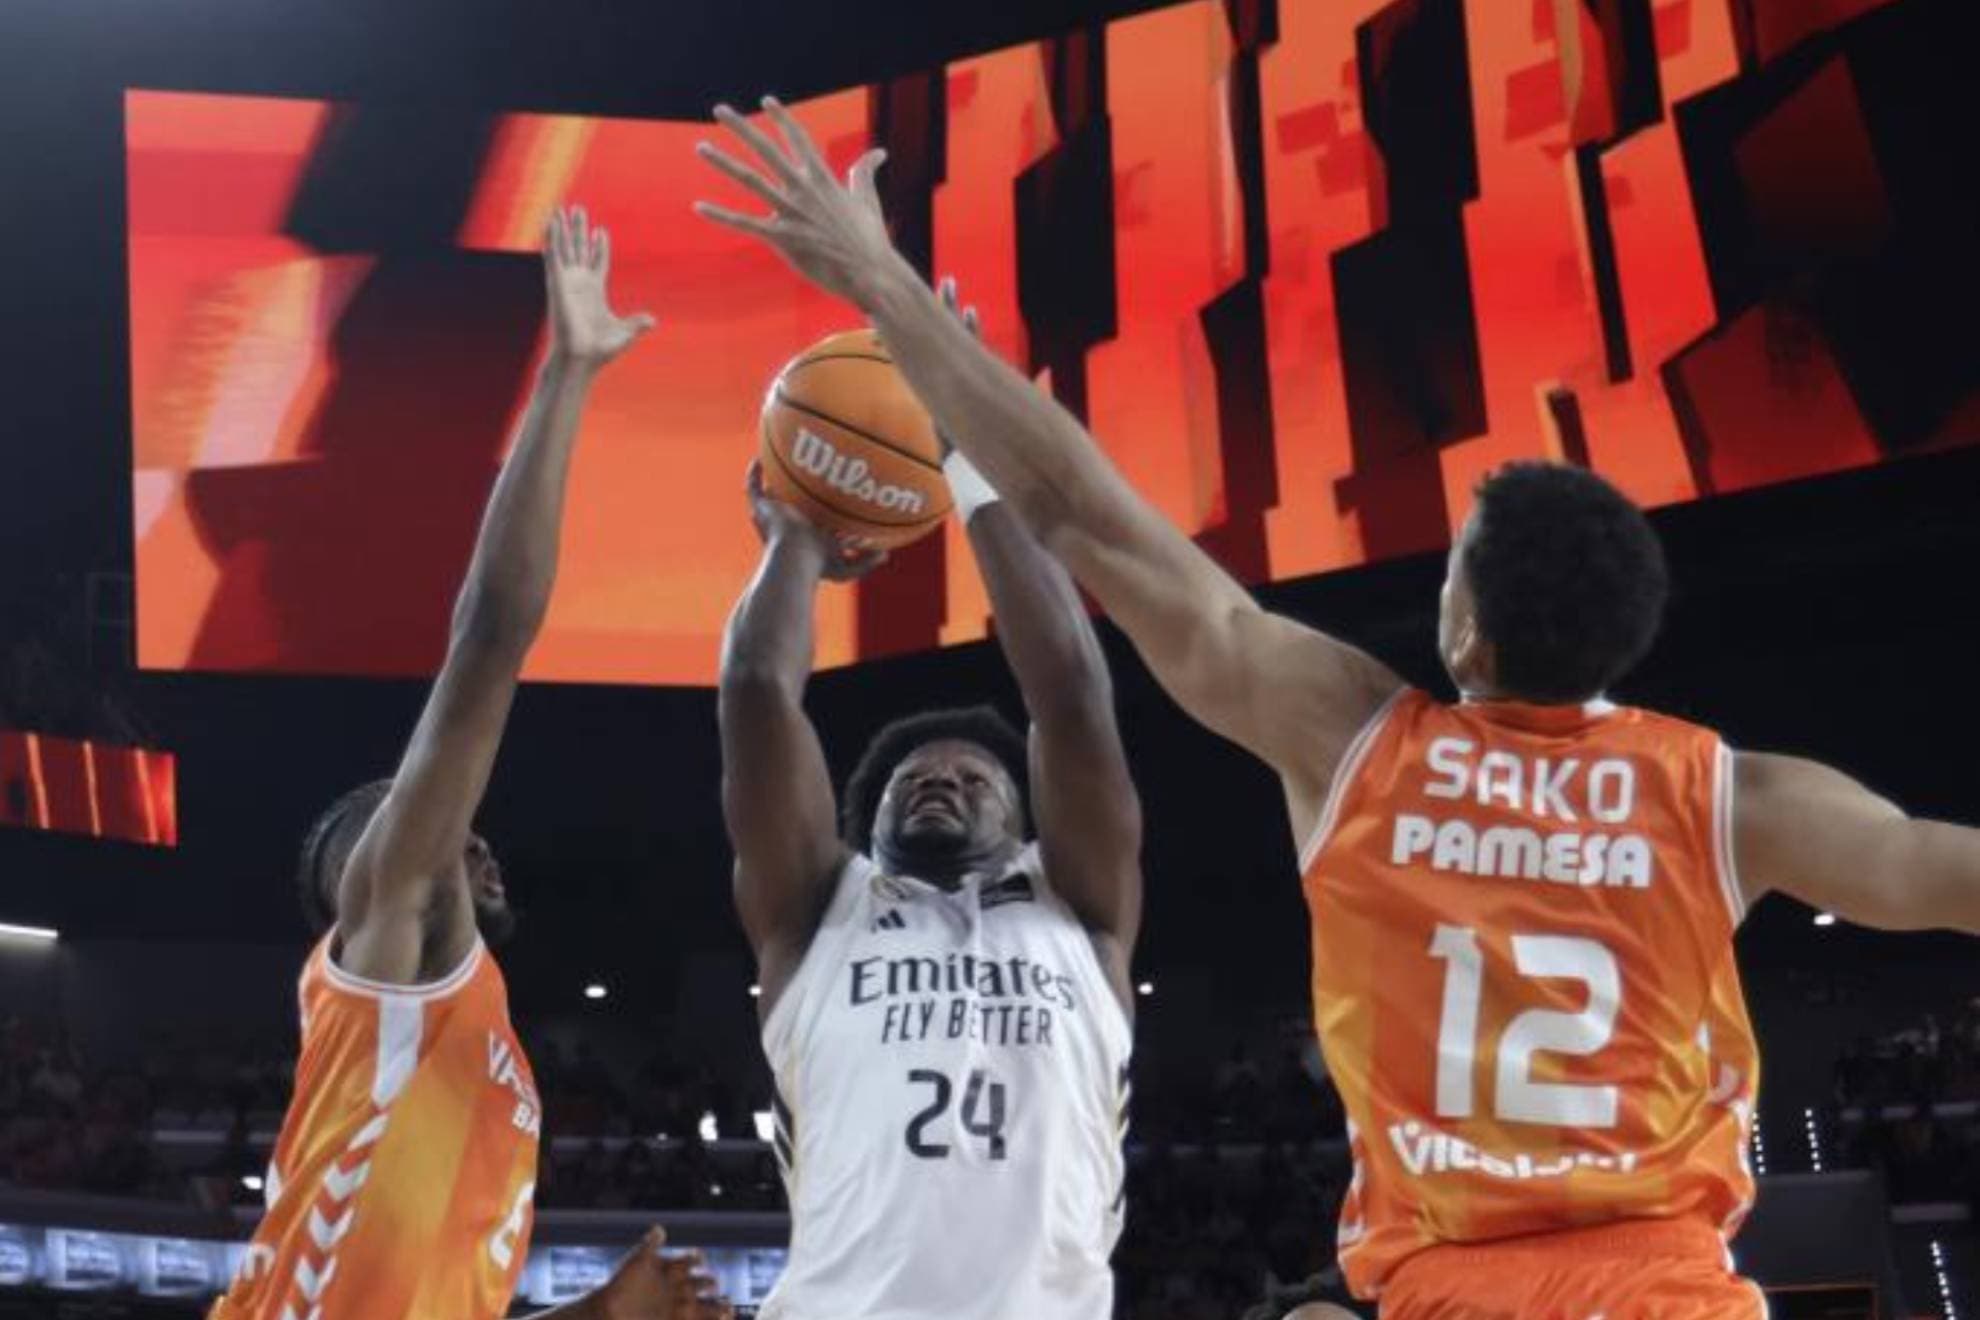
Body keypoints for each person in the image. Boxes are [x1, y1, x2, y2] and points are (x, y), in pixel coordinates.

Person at [693, 99, 1980, 1317]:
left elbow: (1089, 519)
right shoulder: (1727, 796)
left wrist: (888, 293)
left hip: (1448, 1286)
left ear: (1462, 626)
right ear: (1625, 643)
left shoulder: (1364, 744)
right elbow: (1937, 870)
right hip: (1670, 1291)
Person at [213, 209, 725, 1320]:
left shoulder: (473, 1040)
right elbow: (490, 635)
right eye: (406, 825)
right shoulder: (386, 958)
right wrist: (568, 379)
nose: (466, 837)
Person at [717, 297, 1142, 1318]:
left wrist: (966, 452)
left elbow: (1070, 695)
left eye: (974, 777)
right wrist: (795, 542)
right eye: (915, 780)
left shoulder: (1078, 905)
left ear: (1030, 820)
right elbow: (757, 698)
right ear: (863, 829)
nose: (941, 779)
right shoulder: (819, 912)